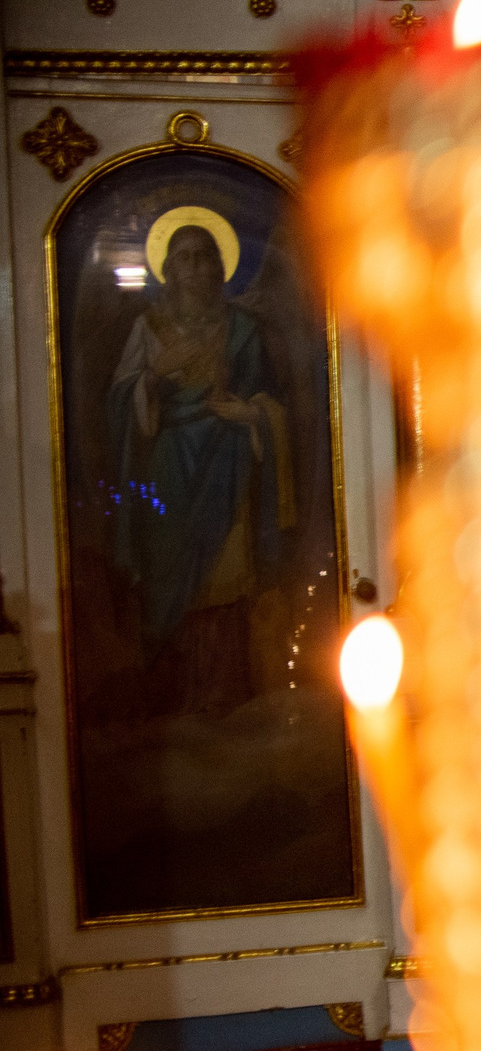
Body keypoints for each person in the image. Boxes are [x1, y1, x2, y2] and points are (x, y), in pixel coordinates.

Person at [108, 221, 295, 717]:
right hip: (167, 468)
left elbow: (270, 403)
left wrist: (251, 414)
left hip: (228, 464)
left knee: (226, 574)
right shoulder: (148, 329)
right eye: (183, 257)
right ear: (167, 271)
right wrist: (154, 375)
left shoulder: (244, 330)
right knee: (168, 570)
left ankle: (224, 696)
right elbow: (120, 407)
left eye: (203, 256)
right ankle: (170, 699)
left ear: (220, 267)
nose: (193, 268)